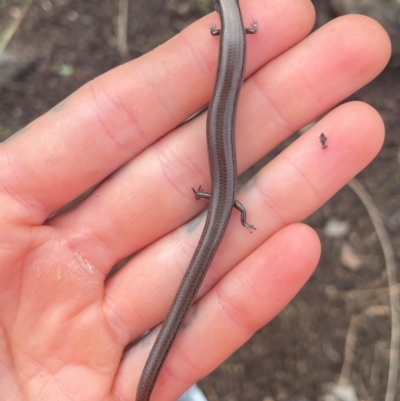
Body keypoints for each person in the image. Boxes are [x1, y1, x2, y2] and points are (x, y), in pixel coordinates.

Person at [0, 1, 391, 400]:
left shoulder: (225, 31)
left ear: (224, 20)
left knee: (220, 215)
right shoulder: (235, 30)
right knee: (220, 213)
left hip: (221, 196)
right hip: (220, 196)